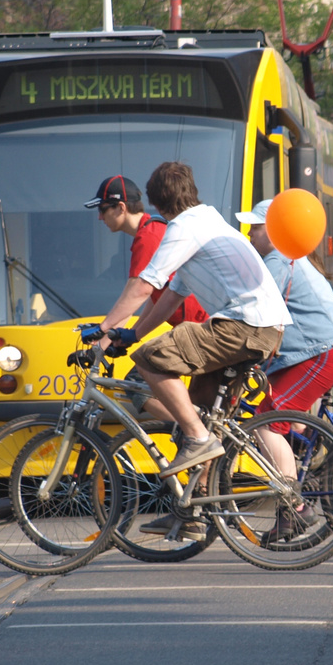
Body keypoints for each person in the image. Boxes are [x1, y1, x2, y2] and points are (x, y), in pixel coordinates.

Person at [92, 162, 290, 480]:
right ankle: (194, 518)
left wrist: (102, 331)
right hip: (261, 327)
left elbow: (145, 285)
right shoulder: (207, 221)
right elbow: (173, 295)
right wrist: (131, 333)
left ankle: (198, 438)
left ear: (157, 203)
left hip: (244, 325)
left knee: (148, 359)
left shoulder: (184, 228)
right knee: (200, 417)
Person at [235, 198, 333, 536]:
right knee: (282, 417)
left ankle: (296, 507)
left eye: (255, 228)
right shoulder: (289, 257)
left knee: (266, 423)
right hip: (329, 347)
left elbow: (252, 311)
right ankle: (308, 466)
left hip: (325, 351)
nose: (249, 236)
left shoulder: (278, 260)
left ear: (274, 231)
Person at [85, 174, 207, 326]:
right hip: (192, 327)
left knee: (151, 351)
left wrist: (103, 331)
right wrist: (128, 334)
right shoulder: (151, 229)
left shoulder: (149, 236)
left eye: (102, 210)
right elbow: (154, 297)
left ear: (121, 207)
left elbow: (137, 291)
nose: (100, 217)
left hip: (200, 327)